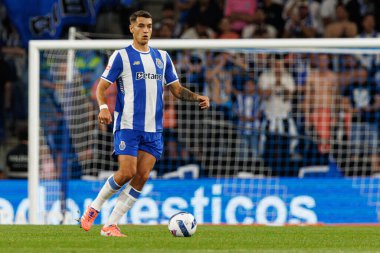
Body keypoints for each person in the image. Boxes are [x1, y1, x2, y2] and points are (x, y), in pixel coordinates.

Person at [80, 10, 210, 237]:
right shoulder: (121, 56)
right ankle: (94, 208)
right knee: (126, 172)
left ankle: (110, 225)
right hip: (128, 124)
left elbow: (176, 89)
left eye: (149, 26)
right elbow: (102, 87)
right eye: (141, 26)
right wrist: (103, 108)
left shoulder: (163, 57)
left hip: (154, 129)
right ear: (132, 28)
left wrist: (195, 96)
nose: (146, 30)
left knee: (142, 176)